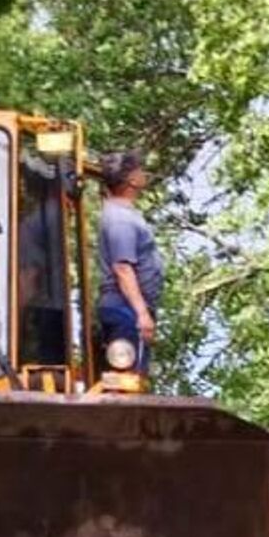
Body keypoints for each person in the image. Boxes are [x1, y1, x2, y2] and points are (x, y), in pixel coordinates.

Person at [96, 150, 164, 371]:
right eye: (140, 170)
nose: (144, 174)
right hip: (125, 310)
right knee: (128, 383)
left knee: (135, 380)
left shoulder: (124, 214)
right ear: (131, 179)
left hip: (128, 308)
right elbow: (123, 268)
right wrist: (142, 313)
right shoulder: (120, 219)